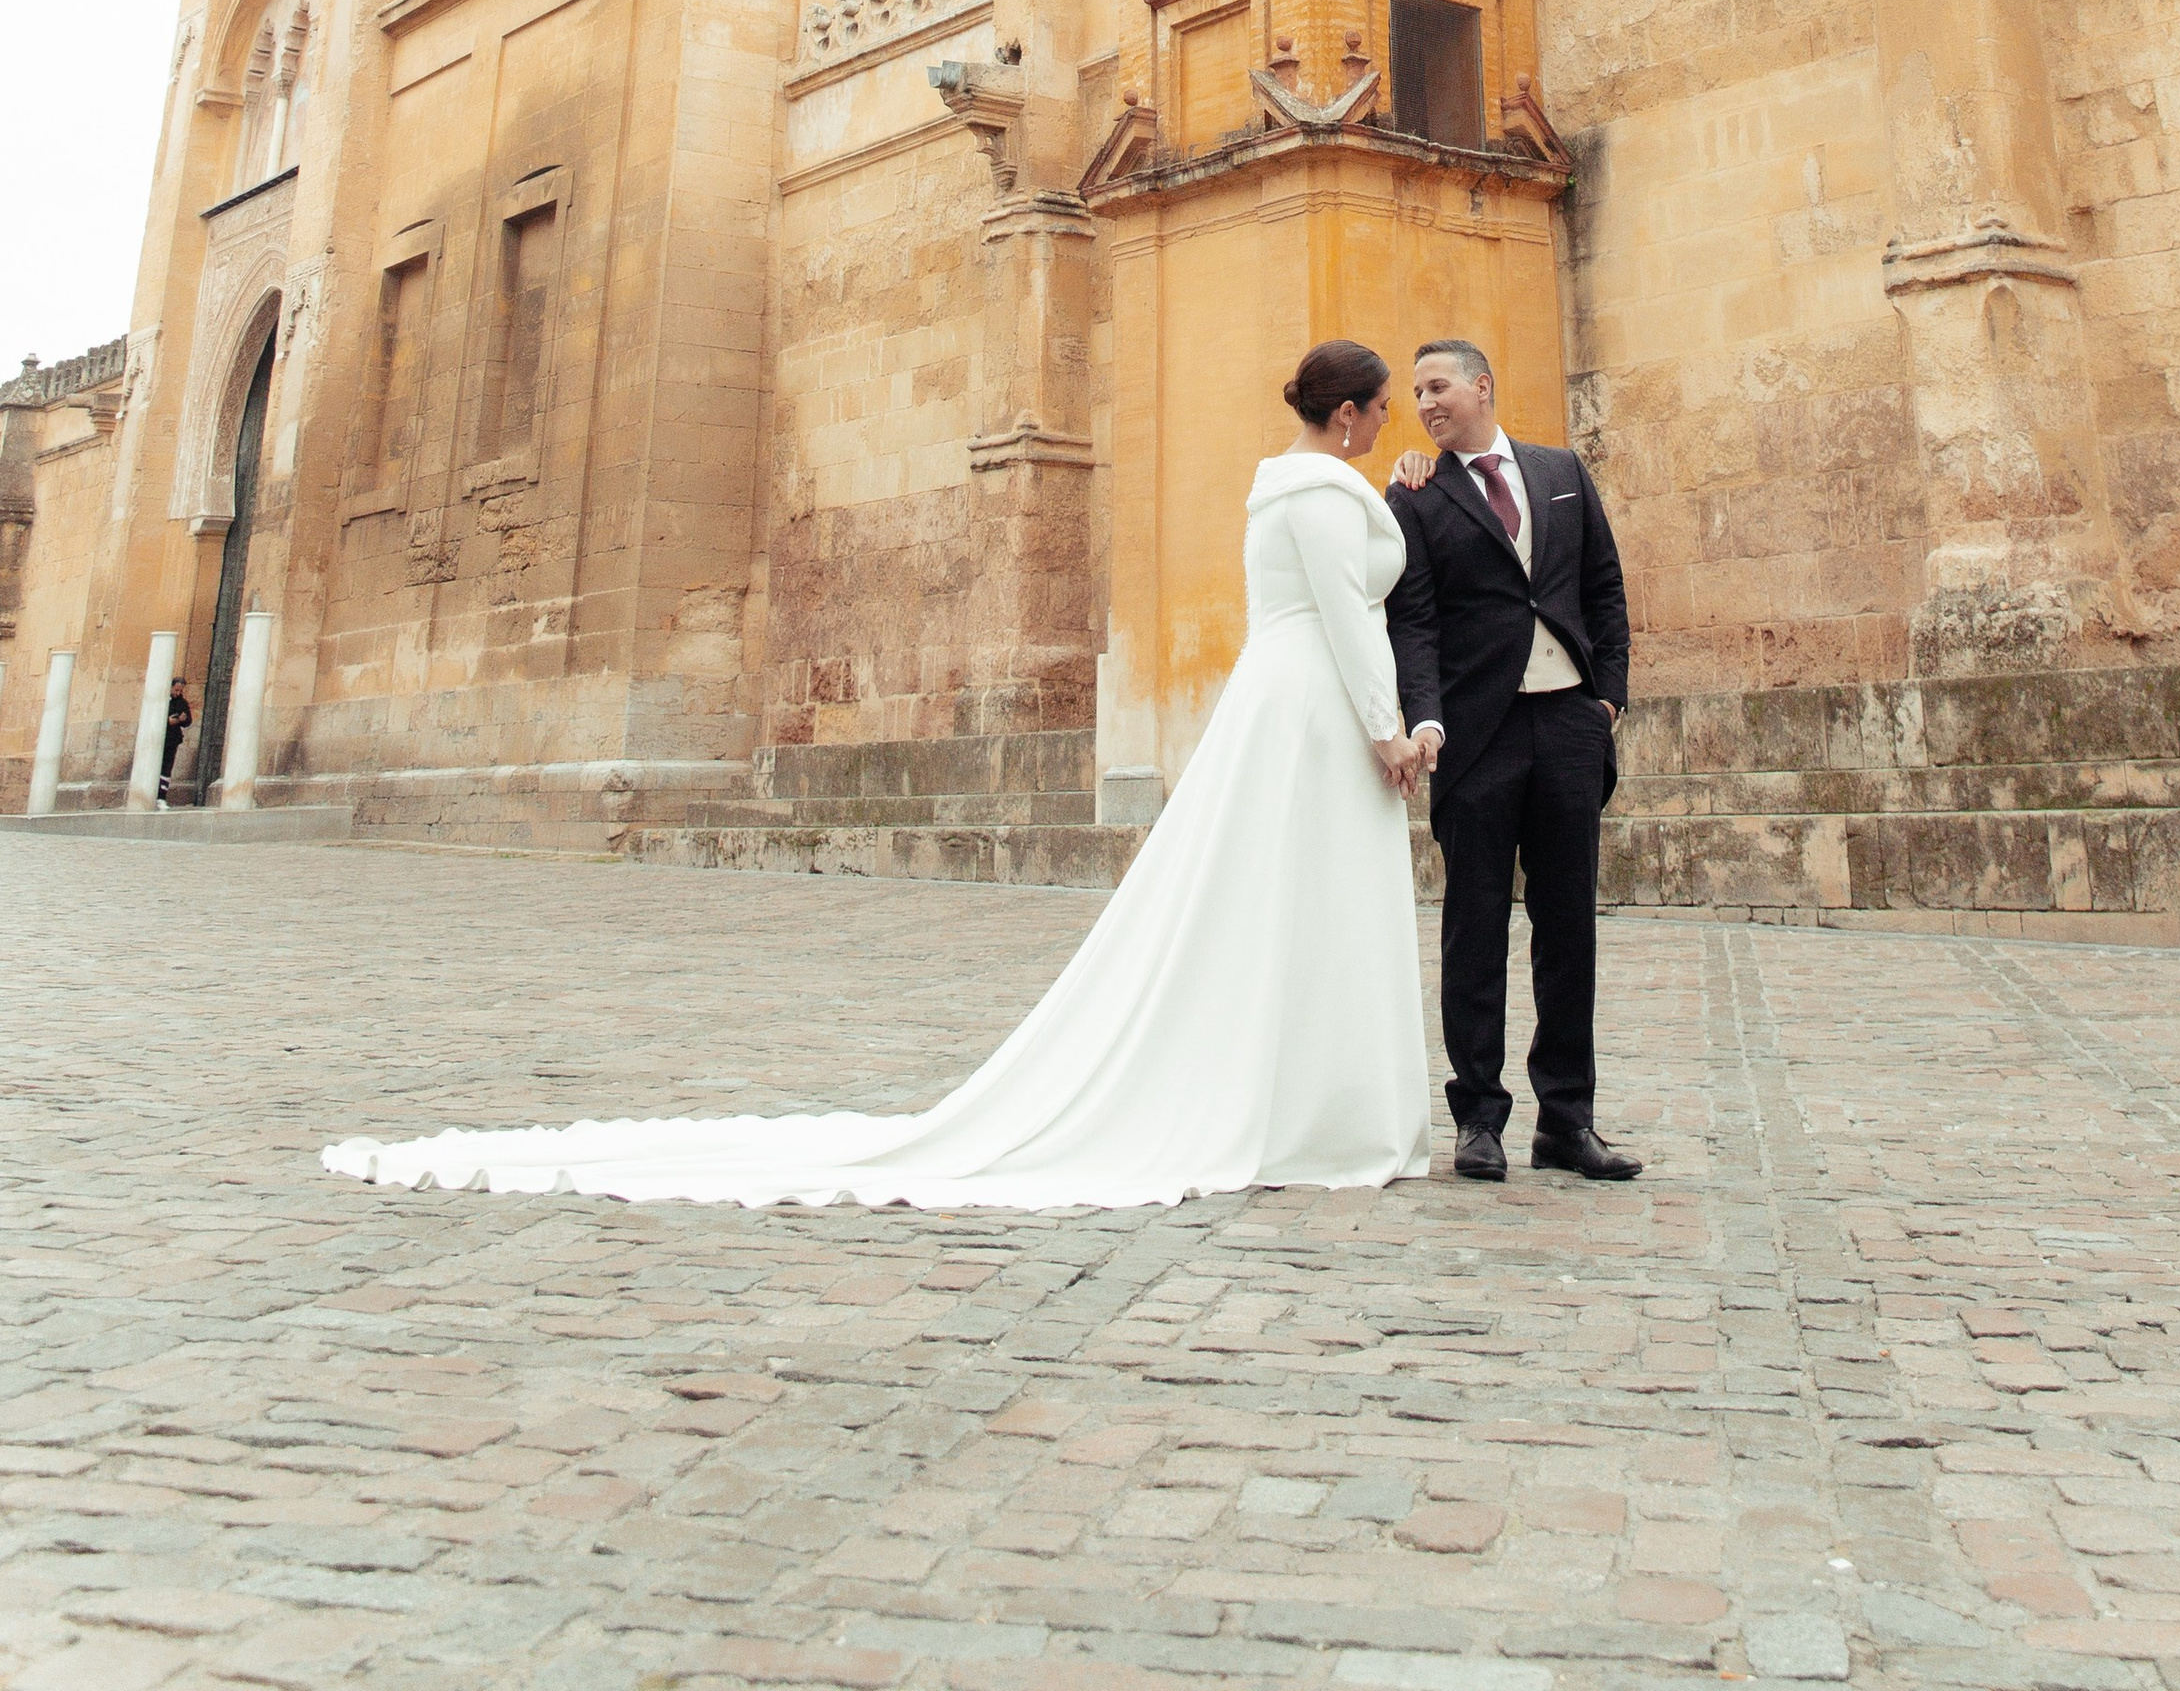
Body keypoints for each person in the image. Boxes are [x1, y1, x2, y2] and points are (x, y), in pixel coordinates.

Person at [320, 340, 1432, 1210]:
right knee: (1312, 894)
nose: (1387, 425)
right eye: (1380, 409)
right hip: (1319, 704)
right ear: (1348, 414)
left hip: (1276, 698)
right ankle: (1317, 1109)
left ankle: (1297, 1098)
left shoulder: (1280, 491)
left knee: (1283, 894)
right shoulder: (1329, 499)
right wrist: (1388, 728)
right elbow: (1348, 615)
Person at [1385, 339, 1639, 1183]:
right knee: (1475, 926)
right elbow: (1413, 621)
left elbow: (1603, 587)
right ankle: (1479, 1118)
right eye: (1416, 392)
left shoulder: (1560, 469)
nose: (1424, 403)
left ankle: (1568, 1121)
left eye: (1438, 386)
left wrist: (1606, 698)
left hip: (1568, 723)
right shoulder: (1417, 496)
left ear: (1483, 386)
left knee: (1569, 928)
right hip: (1478, 734)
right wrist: (1426, 717)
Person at [159, 676, 193, 804]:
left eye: (180, 690)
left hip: (172, 740)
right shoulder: (162, 700)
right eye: (176, 690)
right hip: (160, 738)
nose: (178, 693)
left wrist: (182, 720)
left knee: (167, 768)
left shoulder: (182, 702)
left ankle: (162, 797)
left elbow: (188, 720)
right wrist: (167, 721)